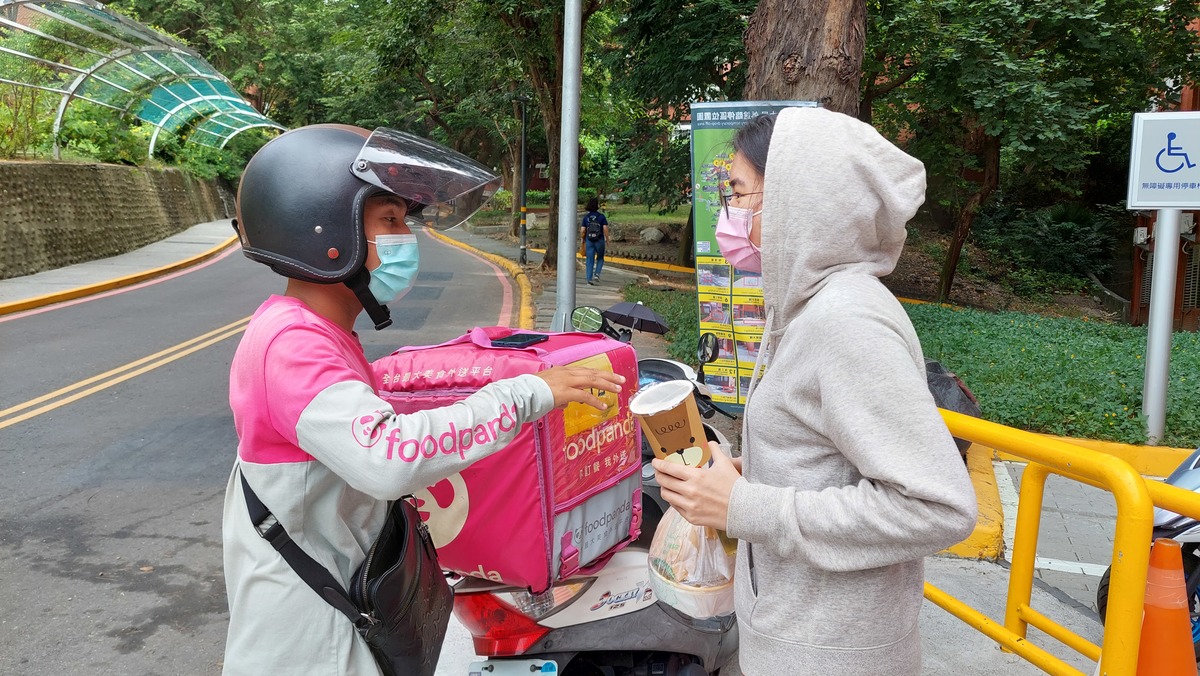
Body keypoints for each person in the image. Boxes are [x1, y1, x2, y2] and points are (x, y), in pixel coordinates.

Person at [221, 124, 625, 675]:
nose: (403, 237)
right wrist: (528, 392)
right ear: (324, 230)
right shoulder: (292, 344)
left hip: (343, 611)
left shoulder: (315, 332)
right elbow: (389, 458)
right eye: (388, 219)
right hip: (311, 643)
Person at [651, 107, 977, 675]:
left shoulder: (845, 323)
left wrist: (745, 506)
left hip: (830, 656)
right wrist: (749, 470)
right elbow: (830, 456)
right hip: (799, 639)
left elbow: (936, 506)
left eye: (740, 192)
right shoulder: (805, 309)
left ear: (797, 199)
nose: (730, 215)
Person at [579, 196, 609, 285]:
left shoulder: (586, 218)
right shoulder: (601, 217)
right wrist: (607, 239)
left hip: (589, 240)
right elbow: (605, 228)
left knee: (589, 260)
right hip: (599, 240)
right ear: (597, 206)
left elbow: (582, 230)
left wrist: (582, 239)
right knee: (600, 258)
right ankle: (597, 274)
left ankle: (589, 279)